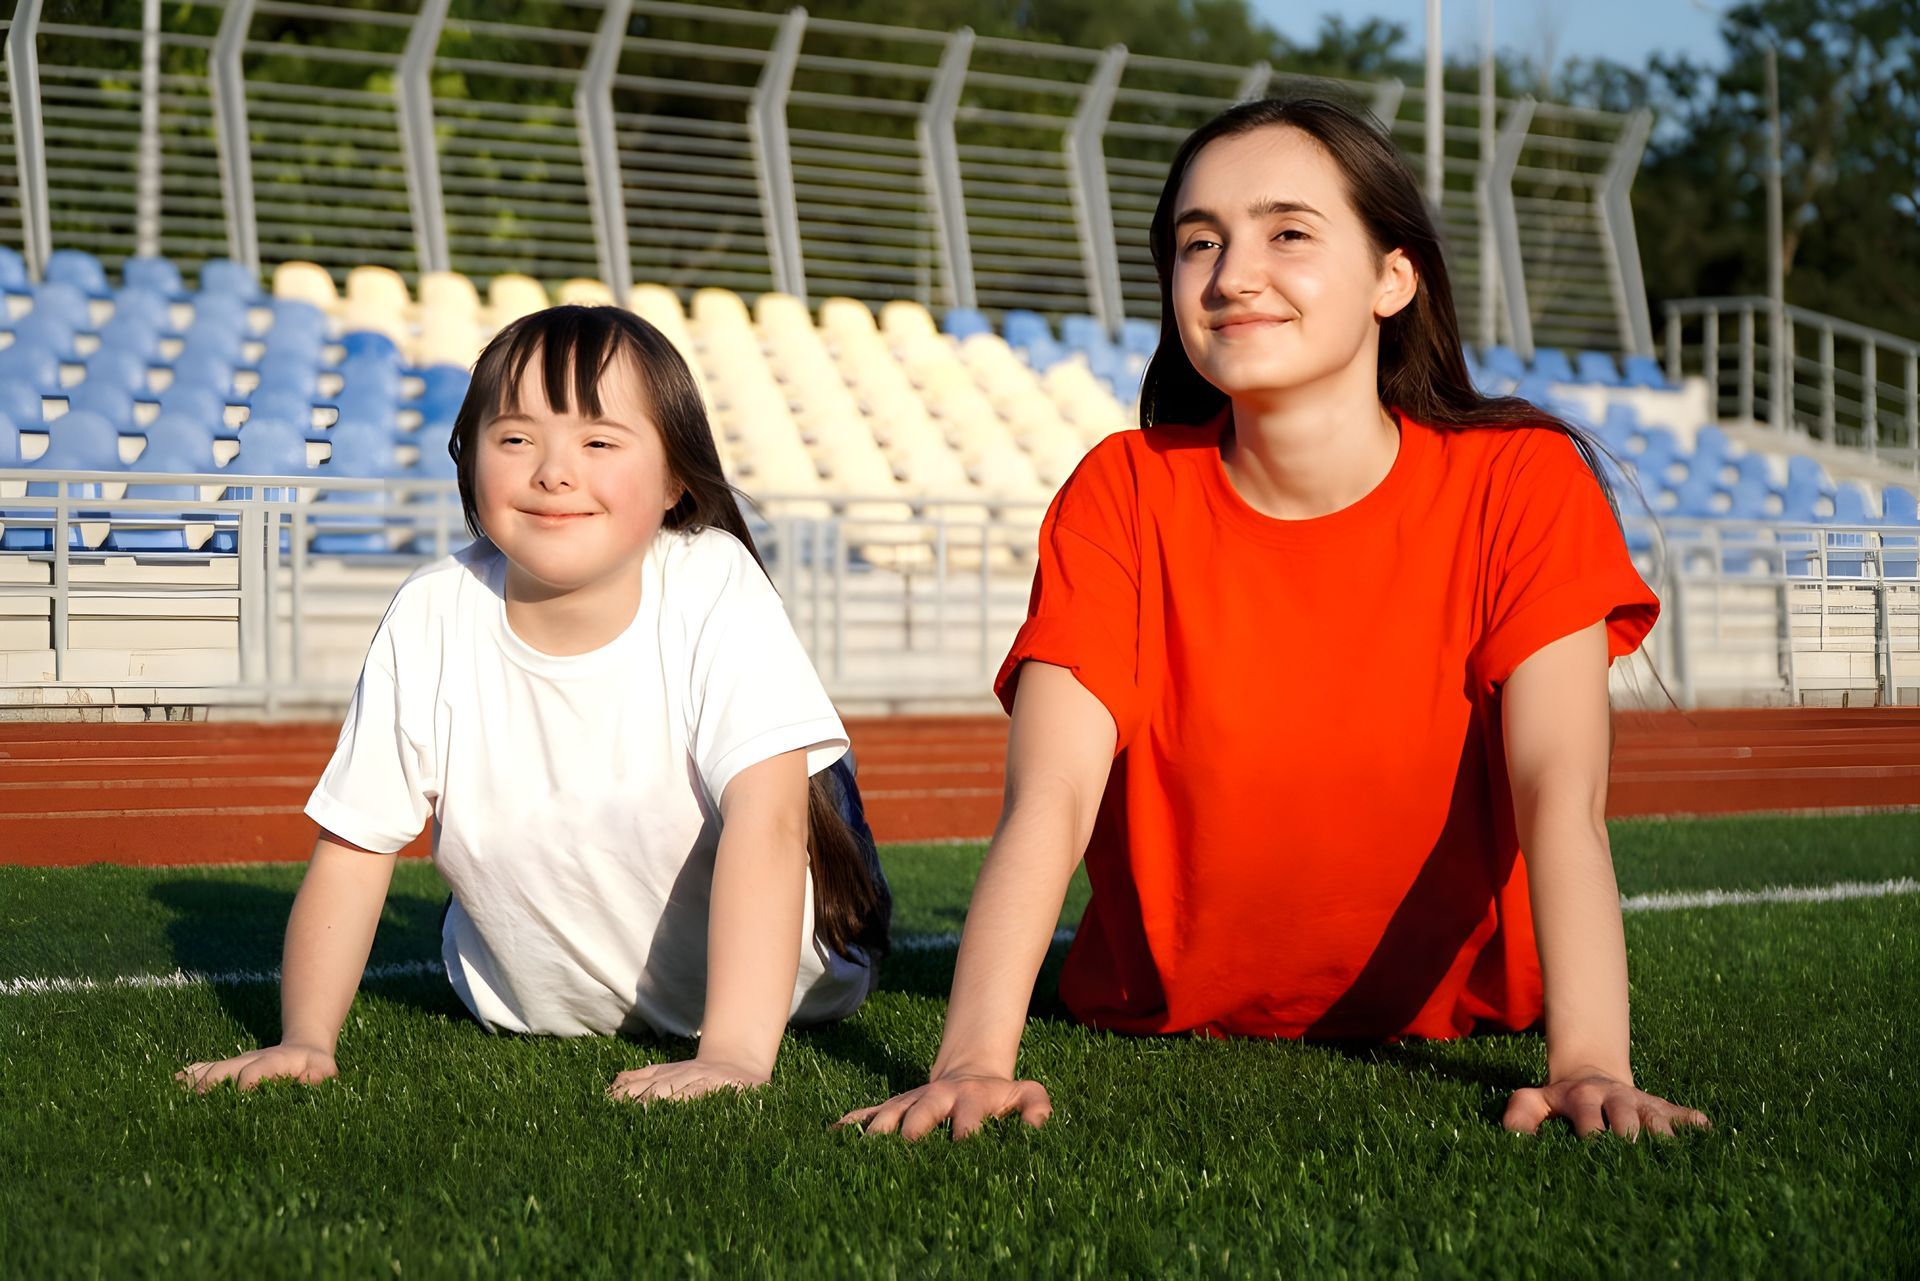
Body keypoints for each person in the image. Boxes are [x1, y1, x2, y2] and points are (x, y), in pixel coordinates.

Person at [840, 98, 1710, 1142]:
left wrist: (1589, 1065)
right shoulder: (1122, 492)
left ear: (1396, 276)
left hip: (1458, 1018)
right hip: (1153, 1018)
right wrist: (974, 1062)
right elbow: (1053, 796)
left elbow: (1557, 791)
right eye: (1198, 241)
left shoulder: (1520, 484)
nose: (1231, 273)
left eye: (1288, 232)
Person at [179, 305, 890, 1103]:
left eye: (599, 441)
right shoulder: (431, 611)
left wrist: (731, 1052)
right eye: (516, 439)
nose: (553, 471)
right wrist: (304, 1038)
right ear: (470, 458)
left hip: (795, 980)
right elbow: (355, 843)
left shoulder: (710, 580)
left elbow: (769, 821)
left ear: (675, 481)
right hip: (529, 1008)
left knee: (797, 772)